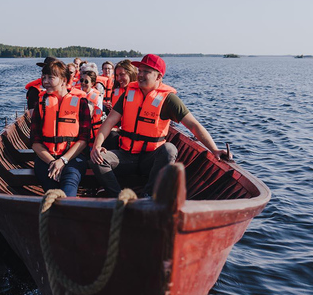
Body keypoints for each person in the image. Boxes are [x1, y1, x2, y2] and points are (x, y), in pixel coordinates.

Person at [89, 54, 228, 198]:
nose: (140, 75)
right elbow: (109, 122)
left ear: (158, 77)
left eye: (146, 72)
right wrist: (97, 146)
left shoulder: (169, 99)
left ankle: (148, 196)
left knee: (169, 149)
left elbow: (194, 125)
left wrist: (214, 149)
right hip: (127, 156)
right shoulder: (128, 94)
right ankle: (119, 198)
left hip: (151, 159)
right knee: (97, 160)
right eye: (139, 71)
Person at [30, 60, 92, 197]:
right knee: (52, 191)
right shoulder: (40, 104)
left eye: (50, 78)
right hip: (46, 159)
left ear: (64, 80)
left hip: (73, 158)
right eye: (44, 77)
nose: (45, 82)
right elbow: (35, 141)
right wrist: (53, 162)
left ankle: (66, 205)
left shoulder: (81, 102)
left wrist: (63, 160)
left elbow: (84, 139)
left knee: (68, 189)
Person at [77, 64, 105, 146]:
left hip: (90, 127)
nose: (83, 83)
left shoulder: (97, 98)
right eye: (81, 80)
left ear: (92, 83)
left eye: (86, 81)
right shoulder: (76, 94)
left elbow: (98, 114)